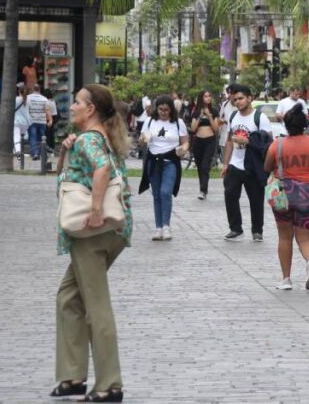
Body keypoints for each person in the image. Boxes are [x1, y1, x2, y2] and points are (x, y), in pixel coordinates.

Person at [51, 84, 132, 403]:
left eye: (77, 102)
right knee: (68, 297)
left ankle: (110, 385)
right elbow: (70, 172)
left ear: (91, 110)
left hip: (92, 231)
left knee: (95, 306)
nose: (71, 106)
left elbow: (102, 170)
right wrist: (64, 150)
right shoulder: (98, 137)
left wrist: (96, 211)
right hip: (108, 233)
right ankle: (72, 377)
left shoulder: (90, 139)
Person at [264, 105, 309, 291]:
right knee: (305, 237)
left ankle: (286, 279)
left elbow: (267, 167)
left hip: (281, 193)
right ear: (305, 125)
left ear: (286, 125)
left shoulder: (276, 145)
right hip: (307, 192)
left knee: (284, 237)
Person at [221, 84, 273, 242]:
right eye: (235, 99)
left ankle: (257, 231)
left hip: (253, 166)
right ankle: (235, 228)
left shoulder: (260, 117)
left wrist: (248, 141)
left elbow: (268, 143)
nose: (238, 102)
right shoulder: (233, 117)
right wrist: (225, 163)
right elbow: (230, 140)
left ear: (250, 98)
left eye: (241, 98)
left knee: (256, 199)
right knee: (230, 195)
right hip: (235, 164)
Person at [138, 95, 189, 241]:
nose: (163, 112)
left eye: (166, 109)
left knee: (165, 192)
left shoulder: (178, 123)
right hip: (153, 161)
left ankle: (166, 226)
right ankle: (158, 227)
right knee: (156, 195)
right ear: (156, 109)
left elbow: (185, 142)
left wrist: (183, 149)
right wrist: (142, 140)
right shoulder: (149, 121)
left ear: (171, 110)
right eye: (160, 109)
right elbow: (142, 140)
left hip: (170, 161)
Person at [189, 90, 220, 200]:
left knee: (205, 166)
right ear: (201, 98)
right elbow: (193, 129)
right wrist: (200, 116)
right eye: (205, 96)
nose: (208, 98)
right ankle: (202, 188)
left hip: (210, 141)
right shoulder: (196, 111)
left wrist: (209, 116)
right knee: (199, 166)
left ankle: (203, 190)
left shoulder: (214, 111)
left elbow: (216, 129)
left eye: (209, 96)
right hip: (198, 141)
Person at [27, 83, 53, 159]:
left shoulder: (28, 98)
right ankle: (42, 153)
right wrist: (50, 120)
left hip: (32, 121)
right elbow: (47, 110)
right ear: (40, 90)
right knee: (42, 138)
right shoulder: (44, 99)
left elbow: (26, 109)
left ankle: (35, 153)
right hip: (42, 121)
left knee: (33, 137)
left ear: (32, 89)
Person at [13, 84, 31, 157]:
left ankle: (18, 150)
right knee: (22, 137)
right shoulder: (28, 99)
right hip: (26, 122)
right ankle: (21, 150)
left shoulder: (16, 99)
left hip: (17, 121)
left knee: (16, 135)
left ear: (18, 91)